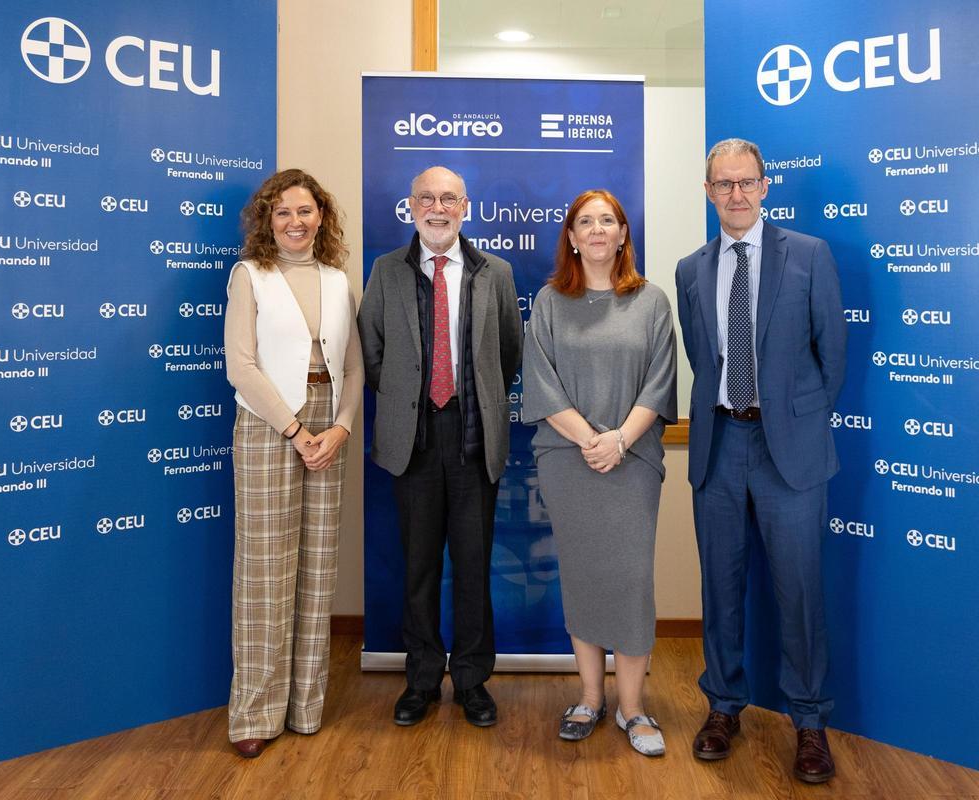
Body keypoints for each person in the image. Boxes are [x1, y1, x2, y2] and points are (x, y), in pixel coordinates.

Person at [675, 138, 846, 783]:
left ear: (765, 186)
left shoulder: (807, 255)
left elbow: (832, 356)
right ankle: (723, 706)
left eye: (747, 182)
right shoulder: (692, 269)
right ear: (709, 191)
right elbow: (701, 358)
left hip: (790, 454)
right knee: (720, 587)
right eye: (724, 184)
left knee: (799, 590)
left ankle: (808, 721)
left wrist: (794, 419)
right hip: (720, 447)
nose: (736, 194)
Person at [357, 166, 523, 728]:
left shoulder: (494, 273)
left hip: (475, 439)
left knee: (474, 567)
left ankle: (473, 681)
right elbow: (371, 354)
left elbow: (508, 354)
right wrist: (413, 399)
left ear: (465, 207)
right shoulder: (386, 272)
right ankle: (422, 679)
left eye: (448, 198)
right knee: (419, 567)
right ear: (411, 206)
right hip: (415, 439)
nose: (437, 207)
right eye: (426, 197)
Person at [522, 190, 677, 757]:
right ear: (570, 236)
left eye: (605, 220)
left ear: (621, 233)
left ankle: (633, 708)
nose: (595, 230)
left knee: (632, 580)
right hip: (568, 459)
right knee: (583, 574)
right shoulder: (548, 302)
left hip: (633, 459)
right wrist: (590, 438)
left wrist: (618, 439)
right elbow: (540, 383)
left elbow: (660, 383)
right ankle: (589, 698)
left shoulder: (652, 301)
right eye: (584, 221)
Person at [223, 169, 363, 758]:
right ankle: (254, 713)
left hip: (329, 420)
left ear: (321, 217)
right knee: (264, 571)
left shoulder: (337, 280)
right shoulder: (250, 275)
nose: (295, 222)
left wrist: (340, 427)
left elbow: (354, 367)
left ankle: (305, 706)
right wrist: (296, 431)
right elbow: (241, 366)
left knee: (314, 565)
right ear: (267, 220)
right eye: (283, 213)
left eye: (305, 211)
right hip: (268, 420)